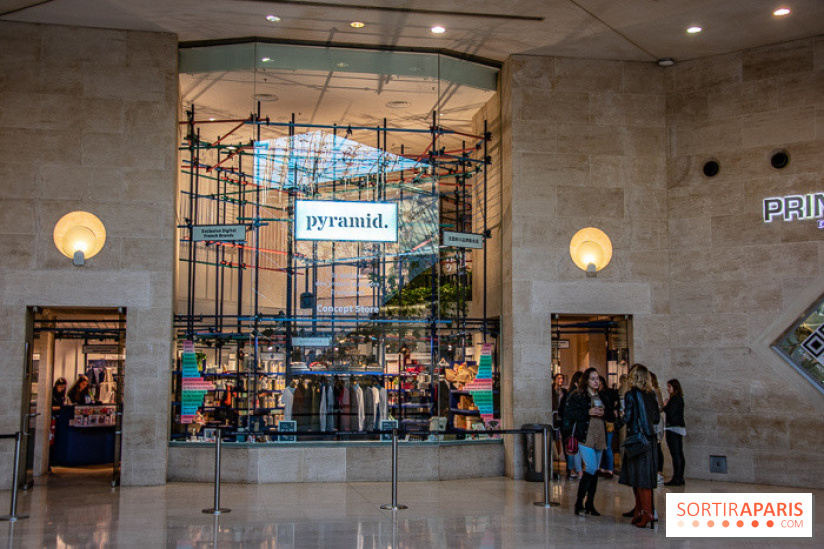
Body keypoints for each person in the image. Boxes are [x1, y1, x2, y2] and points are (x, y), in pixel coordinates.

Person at [565, 367, 616, 516]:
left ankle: (590, 504)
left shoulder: (603, 397)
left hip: (599, 435)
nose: (596, 381)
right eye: (593, 379)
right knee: (592, 468)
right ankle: (579, 502)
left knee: (594, 472)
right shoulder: (578, 396)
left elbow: (612, 416)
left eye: (597, 378)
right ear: (586, 381)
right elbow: (569, 414)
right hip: (584, 436)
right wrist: (588, 412)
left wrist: (604, 413)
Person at [618, 363, 660, 529]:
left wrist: (615, 422)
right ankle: (641, 511)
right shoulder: (651, 395)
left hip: (637, 440)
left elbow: (627, 417)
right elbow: (656, 418)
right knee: (645, 477)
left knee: (639, 478)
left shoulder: (630, 395)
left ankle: (646, 512)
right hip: (650, 439)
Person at [559, 371, 583, 479]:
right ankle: (577, 471)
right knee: (574, 448)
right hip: (572, 425)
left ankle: (572, 469)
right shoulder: (575, 393)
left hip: (567, 425)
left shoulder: (569, 392)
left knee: (571, 447)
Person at [663, 379, 686, 486]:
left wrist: (665, 405)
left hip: (673, 428)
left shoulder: (675, 399)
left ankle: (677, 477)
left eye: (669, 387)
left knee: (676, 454)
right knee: (678, 453)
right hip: (676, 428)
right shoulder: (677, 398)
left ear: (674, 387)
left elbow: (670, 412)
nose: (667, 389)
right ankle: (679, 477)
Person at [598, 375, 619, 478]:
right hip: (606, 421)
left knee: (607, 446)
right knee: (605, 446)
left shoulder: (602, 394)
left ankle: (609, 469)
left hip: (607, 421)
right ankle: (604, 468)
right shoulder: (605, 393)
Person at [649, 372, 665, 484]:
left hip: (655, 421)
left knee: (657, 447)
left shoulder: (655, 391)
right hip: (652, 421)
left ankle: (658, 473)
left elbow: (660, 407)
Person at [551, 373, 566, 465]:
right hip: (554, 415)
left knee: (561, 435)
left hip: (561, 415)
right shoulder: (551, 390)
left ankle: (561, 454)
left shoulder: (564, 391)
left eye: (562, 378)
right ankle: (556, 454)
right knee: (555, 435)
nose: (561, 380)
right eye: (559, 378)